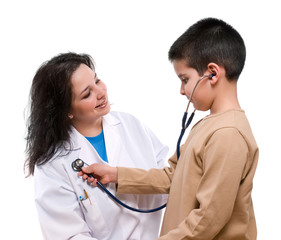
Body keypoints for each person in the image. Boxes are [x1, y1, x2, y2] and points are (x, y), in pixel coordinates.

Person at [80, 18, 259, 239]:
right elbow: (172, 177)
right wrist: (115, 175)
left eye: (185, 79)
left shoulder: (228, 134)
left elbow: (210, 216)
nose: (182, 90)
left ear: (212, 74)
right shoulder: (209, 126)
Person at [25, 52, 169, 240]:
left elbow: (169, 182)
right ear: (67, 111)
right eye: (87, 94)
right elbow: (69, 235)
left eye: (97, 80)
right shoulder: (53, 164)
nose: (101, 92)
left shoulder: (132, 125)